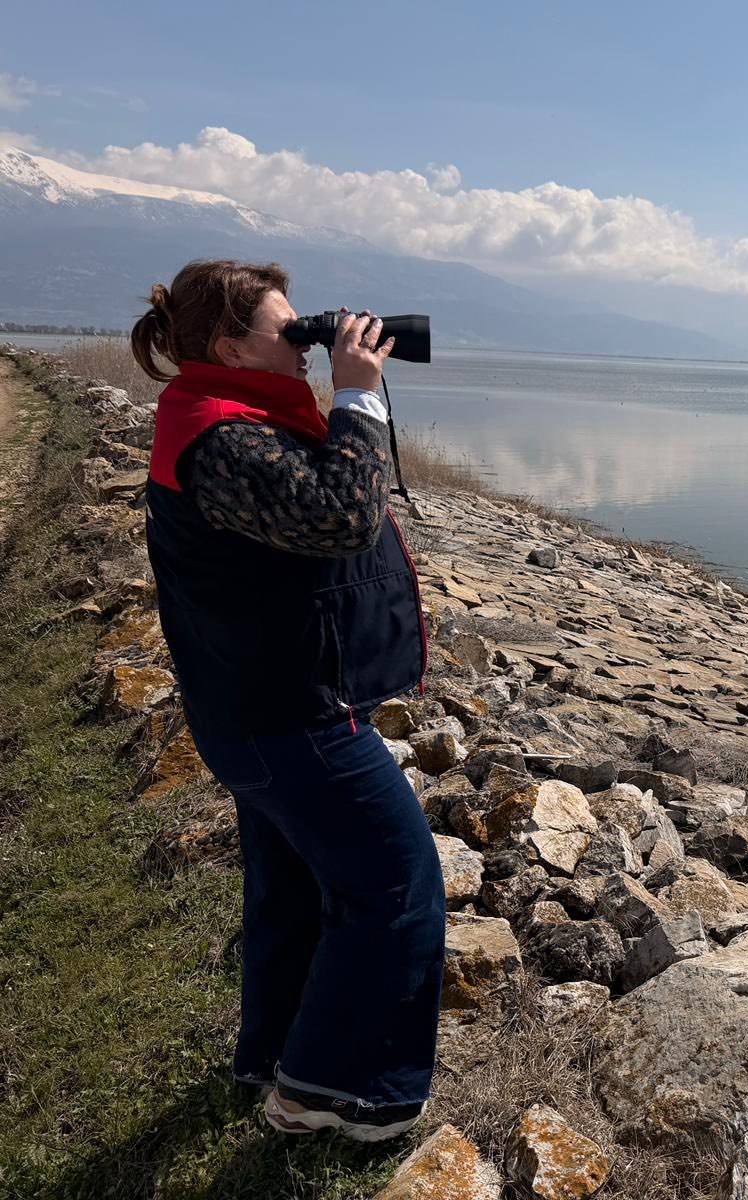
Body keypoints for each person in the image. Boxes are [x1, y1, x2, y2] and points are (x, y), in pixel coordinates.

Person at [133, 259, 443, 1142]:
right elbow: (341, 517)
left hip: (261, 705)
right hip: (285, 716)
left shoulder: (221, 416)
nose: (310, 343)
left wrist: (338, 392)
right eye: (291, 330)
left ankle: (275, 1059)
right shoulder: (219, 438)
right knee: (398, 885)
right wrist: (358, 398)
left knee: (295, 891)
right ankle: (344, 1094)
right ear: (230, 346)